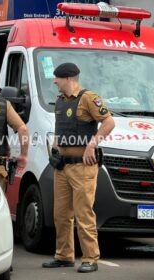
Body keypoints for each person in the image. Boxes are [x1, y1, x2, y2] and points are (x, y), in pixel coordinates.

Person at [42, 63, 115, 273]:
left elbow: (109, 123)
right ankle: (64, 256)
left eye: (57, 78)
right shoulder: (60, 101)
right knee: (61, 214)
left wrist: (92, 144)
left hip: (83, 167)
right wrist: (55, 151)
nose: (54, 81)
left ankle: (90, 258)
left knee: (84, 214)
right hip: (63, 166)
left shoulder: (88, 98)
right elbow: (60, 129)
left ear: (68, 78)